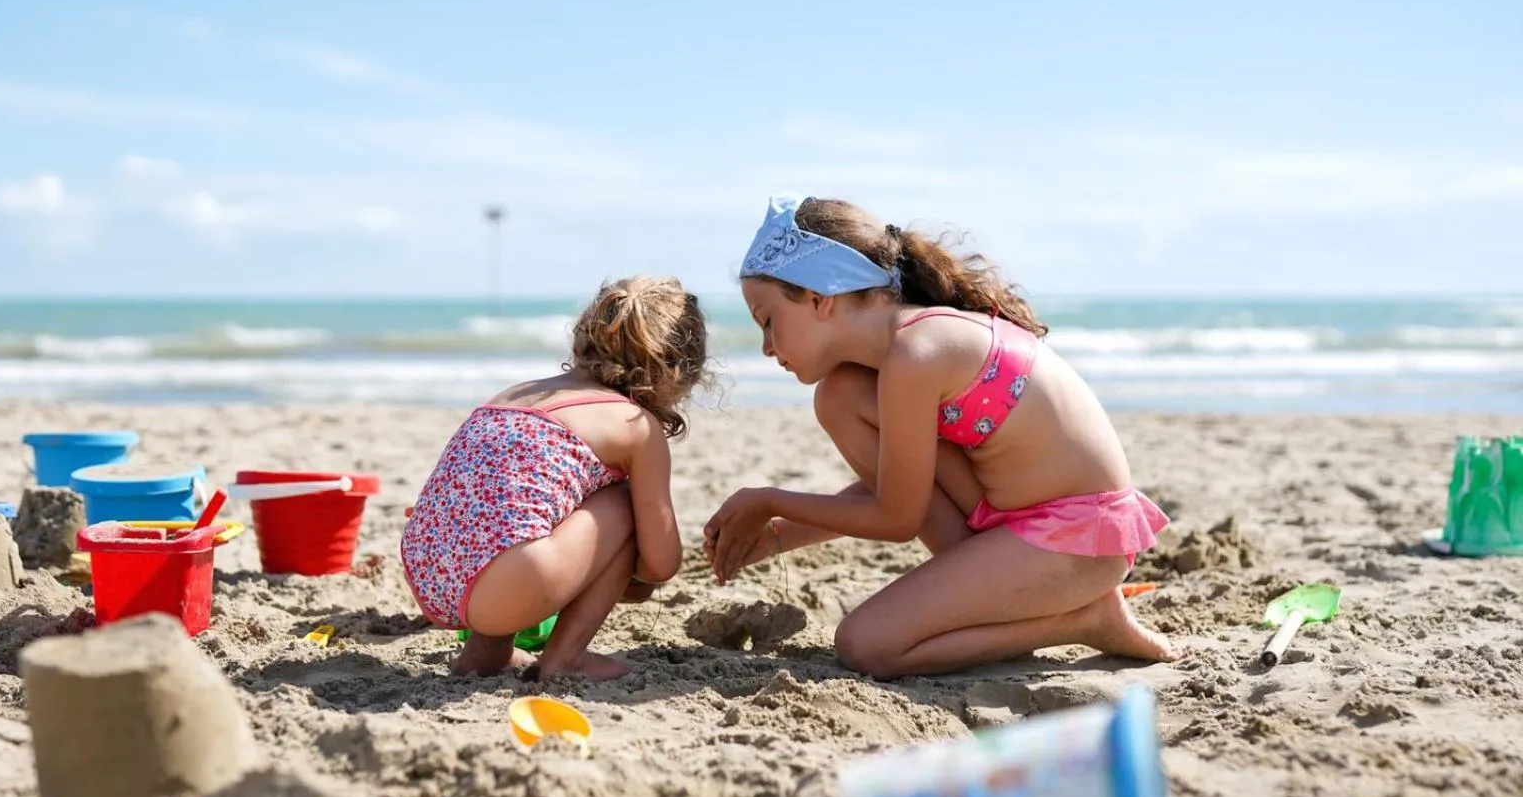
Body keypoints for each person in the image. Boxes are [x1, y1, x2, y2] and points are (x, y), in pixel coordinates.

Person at [704, 196, 1175, 678]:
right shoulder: (891, 361)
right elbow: (904, 488)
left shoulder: (917, 352)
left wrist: (768, 500)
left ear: (820, 299)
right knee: (839, 396)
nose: (765, 347)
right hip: (1014, 521)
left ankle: (1085, 618)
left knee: (867, 645)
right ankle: (1025, 599)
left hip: (1076, 539)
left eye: (768, 321)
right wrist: (777, 537)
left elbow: (897, 517)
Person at [403, 276, 708, 680]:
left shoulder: (518, 392)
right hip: (506, 586)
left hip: (427, 572)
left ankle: (485, 651)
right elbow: (660, 563)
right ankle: (566, 657)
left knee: (524, 509)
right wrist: (626, 574)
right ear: (675, 371)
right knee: (624, 502)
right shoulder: (636, 425)